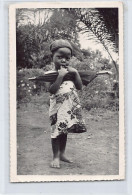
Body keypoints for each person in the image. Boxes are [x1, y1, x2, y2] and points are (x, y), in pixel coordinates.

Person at [46, 39, 112, 169]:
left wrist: (75, 73)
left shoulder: (72, 72)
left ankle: (63, 154)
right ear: (52, 57)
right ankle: (55, 157)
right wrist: (60, 76)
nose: (64, 60)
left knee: (64, 131)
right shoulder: (50, 74)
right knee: (55, 132)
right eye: (59, 57)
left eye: (67, 58)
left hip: (69, 108)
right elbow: (52, 90)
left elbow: (80, 86)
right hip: (57, 109)